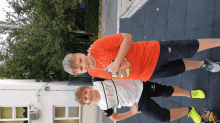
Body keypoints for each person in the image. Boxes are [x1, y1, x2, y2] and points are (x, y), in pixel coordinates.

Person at [63, 33, 220, 81]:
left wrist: (117, 62)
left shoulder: (97, 46)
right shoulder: (93, 73)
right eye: (81, 69)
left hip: (153, 52)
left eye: (81, 61)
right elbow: (117, 77)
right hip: (149, 73)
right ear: (80, 73)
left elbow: (127, 37)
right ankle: (203, 63)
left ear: (80, 54)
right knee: (181, 67)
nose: (85, 65)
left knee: (189, 47)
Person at [74, 79, 204, 123]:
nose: (88, 96)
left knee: (168, 91)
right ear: (88, 103)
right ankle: (190, 110)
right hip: (138, 103)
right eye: (85, 99)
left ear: (87, 88)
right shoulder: (104, 106)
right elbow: (115, 118)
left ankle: (190, 94)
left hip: (140, 86)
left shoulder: (98, 81)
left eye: (85, 93)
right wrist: (131, 113)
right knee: (162, 117)